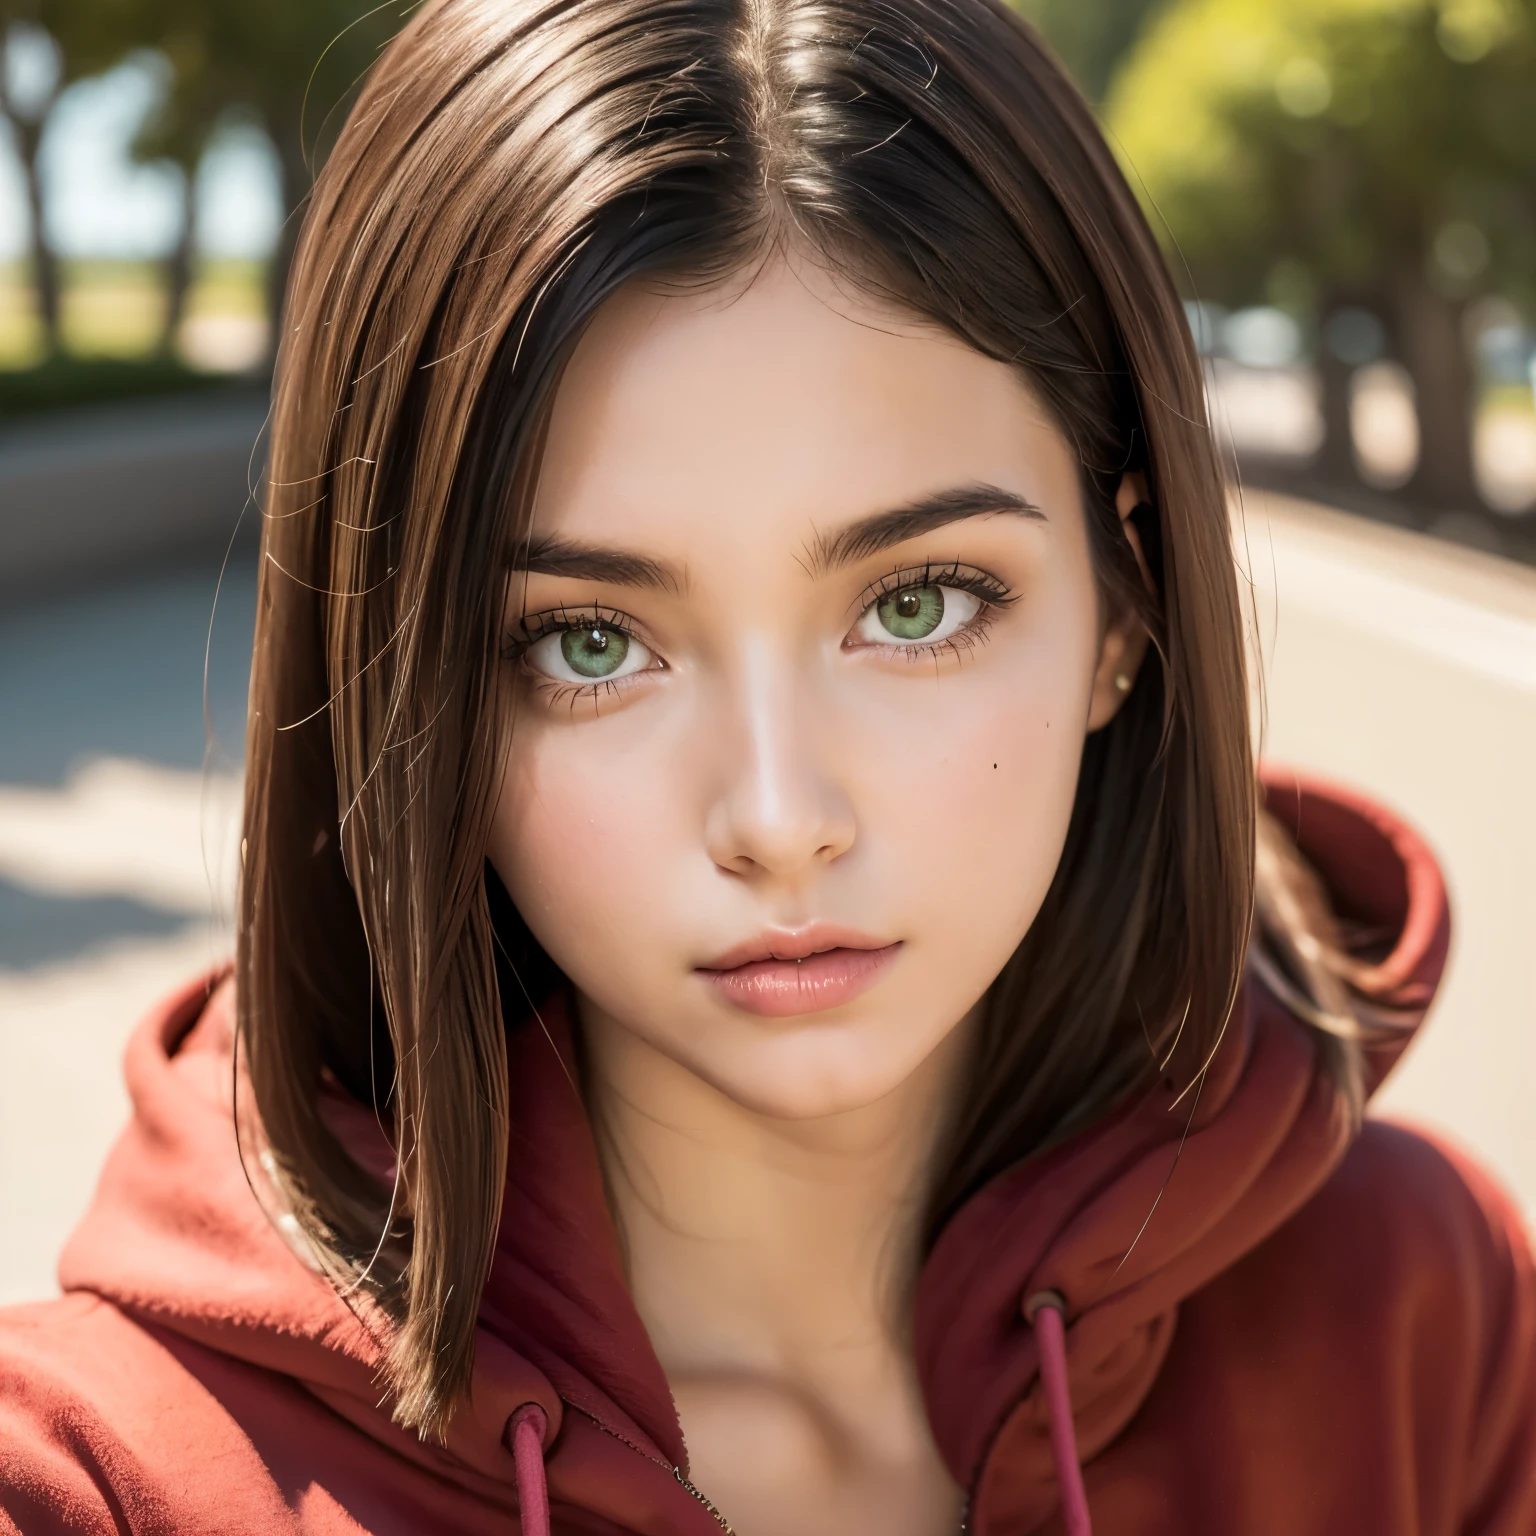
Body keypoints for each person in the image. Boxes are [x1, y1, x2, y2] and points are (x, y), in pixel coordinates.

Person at [2, 0, 1532, 1530]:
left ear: (1123, 608)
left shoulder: (1424, 1325)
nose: (780, 820)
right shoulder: (103, 1478)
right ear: (413, 696)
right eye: (591, 643)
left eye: (917, 605)